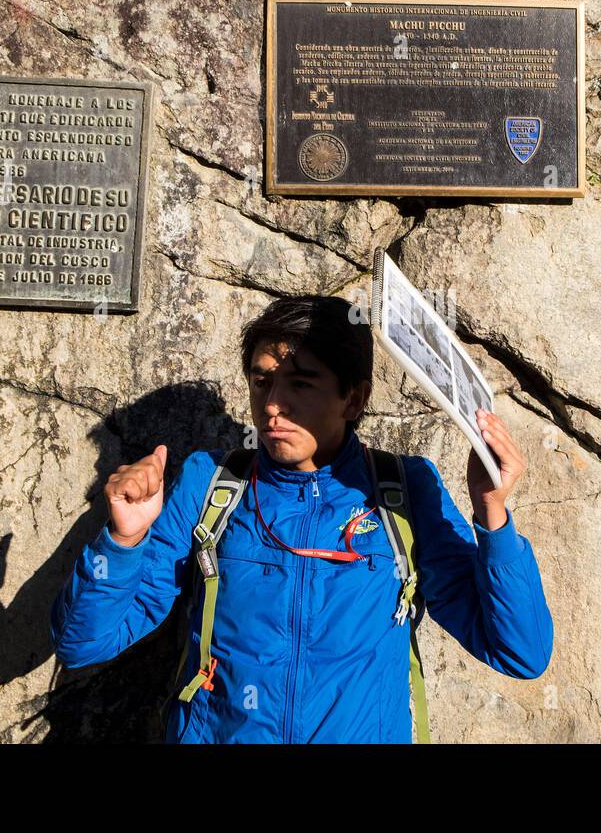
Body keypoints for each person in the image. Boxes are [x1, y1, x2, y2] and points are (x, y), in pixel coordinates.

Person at [50, 294, 553, 742]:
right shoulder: (211, 486)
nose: (272, 405)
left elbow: (519, 652)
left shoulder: (405, 491)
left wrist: (493, 516)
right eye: (261, 381)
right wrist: (123, 539)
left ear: (353, 398)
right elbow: (84, 644)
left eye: (301, 383)